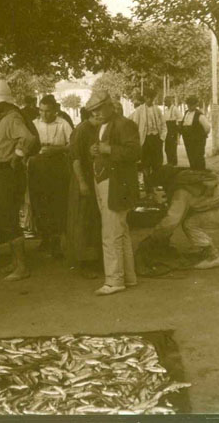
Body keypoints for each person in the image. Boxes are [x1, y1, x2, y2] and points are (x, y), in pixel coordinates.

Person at [86, 90, 140, 296]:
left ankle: (114, 280)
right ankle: (128, 276)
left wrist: (108, 150)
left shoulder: (124, 124)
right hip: (107, 180)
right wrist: (96, 151)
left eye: (99, 109)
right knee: (120, 231)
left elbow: (135, 152)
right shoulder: (105, 125)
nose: (97, 114)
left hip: (116, 184)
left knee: (111, 233)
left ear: (110, 105)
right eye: (93, 111)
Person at [0, 80, 38, 281]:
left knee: (9, 216)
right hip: (1, 171)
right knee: (6, 217)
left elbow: (28, 138)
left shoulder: (12, 118)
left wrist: (17, 154)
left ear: (2, 103)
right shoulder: (5, 117)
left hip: (7, 171)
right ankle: (15, 262)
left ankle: (22, 266)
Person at [144, 166, 219, 269]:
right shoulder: (191, 177)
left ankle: (214, 256)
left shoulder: (182, 191)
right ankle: (202, 248)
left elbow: (172, 221)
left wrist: (155, 236)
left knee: (190, 224)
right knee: (189, 219)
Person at [29, 94, 73, 258]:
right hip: (38, 166)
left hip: (57, 166)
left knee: (57, 202)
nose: (44, 115)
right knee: (40, 201)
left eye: (48, 111)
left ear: (55, 110)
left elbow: (72, 144)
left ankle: (57, 240)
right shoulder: (34, 124)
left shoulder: (63, 124)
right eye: (41, 111)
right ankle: (45, 237)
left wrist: (57, 149)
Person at [65, 108, 102, 279]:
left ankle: (96, 260)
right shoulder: (80, 130)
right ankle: (85, 262)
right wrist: (82, 183)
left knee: (94, 220)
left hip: (96, 179)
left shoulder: (99, 128)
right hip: (84, 179)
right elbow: (76, 159)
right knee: (83, 220)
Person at [129, 89, 166, 195]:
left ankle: (155, 185)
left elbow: (163, 124)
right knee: (145, 163)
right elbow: (135, 125)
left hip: (155, 139)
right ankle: (147, 185)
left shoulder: (157, 110)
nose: (150, 100)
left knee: (157, 163)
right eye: (148, 98)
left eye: (152, 98)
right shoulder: (139, 110)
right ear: (145, 98)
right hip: (145, 140)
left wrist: (161, 138)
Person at [180, 96, 210, 170]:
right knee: (191, 155)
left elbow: (207, 128)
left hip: (197, 140)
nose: (189, 106)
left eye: (191, 105)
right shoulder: (186, 113)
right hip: (188, 139)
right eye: (188, 105)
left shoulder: (199, 115)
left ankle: (200, 173)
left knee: (198, 156)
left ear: (196, 105)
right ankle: (193, 171)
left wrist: (201, 136)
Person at [163, 95, 182, 166]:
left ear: (170, 101)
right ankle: (169, 162)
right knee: (167, 148)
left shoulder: (174, 109)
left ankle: (173, 163)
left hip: (173, 130)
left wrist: (178, 132)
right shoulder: (166, 110)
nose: (164, 103)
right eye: (164, 101)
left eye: (166, 101)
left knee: (172, 148)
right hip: (167, 130)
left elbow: (180, 119)